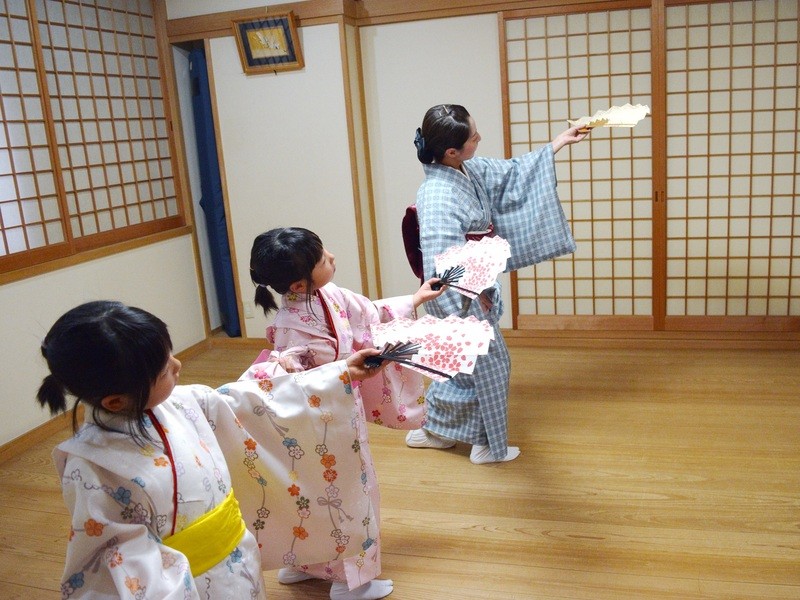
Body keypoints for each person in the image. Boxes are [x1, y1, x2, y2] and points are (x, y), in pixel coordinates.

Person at [37, 300, 389, 600]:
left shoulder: (184, 402)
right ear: (115, 400)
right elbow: (119, 557)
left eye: (170, 355)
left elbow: (254, 403)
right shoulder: (93, 466)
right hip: (185, 584)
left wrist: (339, 373)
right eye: (164, 369)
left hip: (237, 559)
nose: (177, 365)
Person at [249, 226, 444, 595]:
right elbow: (294, 384)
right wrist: (342, 370)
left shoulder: (329, 294)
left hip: (338, 408)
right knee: (344, 492)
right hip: (317, 421)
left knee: (311, 492)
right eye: (323, 259)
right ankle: (350, 584)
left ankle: (304, 564)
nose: (332, 257)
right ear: (298, 285)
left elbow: (370, 314)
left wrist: (416, 298)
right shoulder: (291, 329)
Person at [407, 103, 588, 465]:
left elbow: (512, 173)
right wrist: (473, 298)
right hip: (458, 296)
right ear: (451, 151)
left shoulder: (466, 169)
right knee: (491, 365)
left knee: (461, 368)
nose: (479, 138)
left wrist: (558, 142)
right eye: (473, 136)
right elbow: (445, 261)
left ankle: (436, 431)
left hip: (475, 287)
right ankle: (486, 444)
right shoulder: (439, 195)